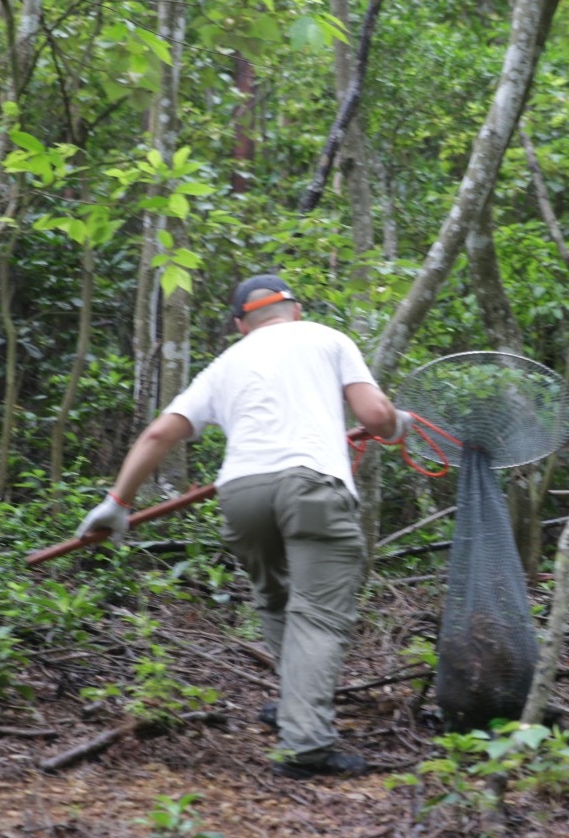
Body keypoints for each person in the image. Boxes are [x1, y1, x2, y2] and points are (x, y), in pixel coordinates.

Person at [75, 274, 409, 778]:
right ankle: (306, 746)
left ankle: (295, 705)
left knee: (276, 599)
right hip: (312, 486)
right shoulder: (327, 338)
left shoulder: (225, 364)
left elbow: (160, 432)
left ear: (239, 325)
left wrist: (116, 502)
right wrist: (395, 424)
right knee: (317, 615)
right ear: (295, 310)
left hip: (241, 494)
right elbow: (374, 413)